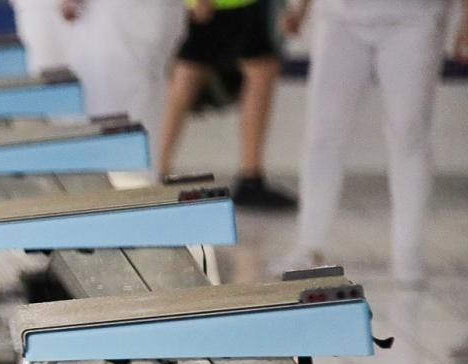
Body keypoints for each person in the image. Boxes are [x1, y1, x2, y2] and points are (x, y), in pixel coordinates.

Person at [281, 0, 468, 285]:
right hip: (339, 16)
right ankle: (309, 244)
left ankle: (408, 251)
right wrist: (301, 9)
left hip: (416, 17)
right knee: (323, 133)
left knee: (409, 133)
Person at [154, 0, 299, 208]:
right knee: (193, 73)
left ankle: (158, 171)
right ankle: (250, 177)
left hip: (240, 5)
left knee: (255, 69)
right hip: (225, 5)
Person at [59, 0, 188, 142]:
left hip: (124, 19)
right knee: (142, 96)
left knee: (119, 102)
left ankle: (127, 156)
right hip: (146, 15)